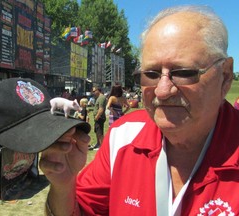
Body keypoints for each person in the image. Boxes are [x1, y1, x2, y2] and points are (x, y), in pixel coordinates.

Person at [39, 5, 239, 216]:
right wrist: (63, 188)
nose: (162, 91)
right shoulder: (123, 135)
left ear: (225, 76)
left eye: (183, 72)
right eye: (151, 74)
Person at [89, 86, 107, 150]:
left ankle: (101, 146)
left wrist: (97, 116)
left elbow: (101, 109)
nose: (93, 92)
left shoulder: (101, 97)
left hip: (100, 117)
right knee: (97, 131)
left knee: (100, 132)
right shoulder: (98, 98)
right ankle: (98, 143)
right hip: (98, 118)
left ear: (98, 90)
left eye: (94, 91)